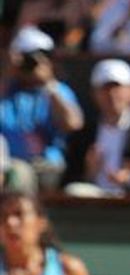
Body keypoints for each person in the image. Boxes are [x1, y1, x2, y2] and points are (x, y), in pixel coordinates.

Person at [63, 59, 130, 198]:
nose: (111, 94)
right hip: (92, 203)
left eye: (117, 87)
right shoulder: (83, 135)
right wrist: (89, 173)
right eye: (105, 89)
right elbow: (69, 180)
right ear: (94, 94)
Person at [0, 26, 84, 194]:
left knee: (20, 173)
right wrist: (8, 73)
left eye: (41, 57)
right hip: (6, 164)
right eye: (27, 58)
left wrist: (48, 83)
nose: (32, 64)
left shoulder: (58, 91)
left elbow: (73, 124)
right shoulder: (7, 91)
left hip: (45, 166)